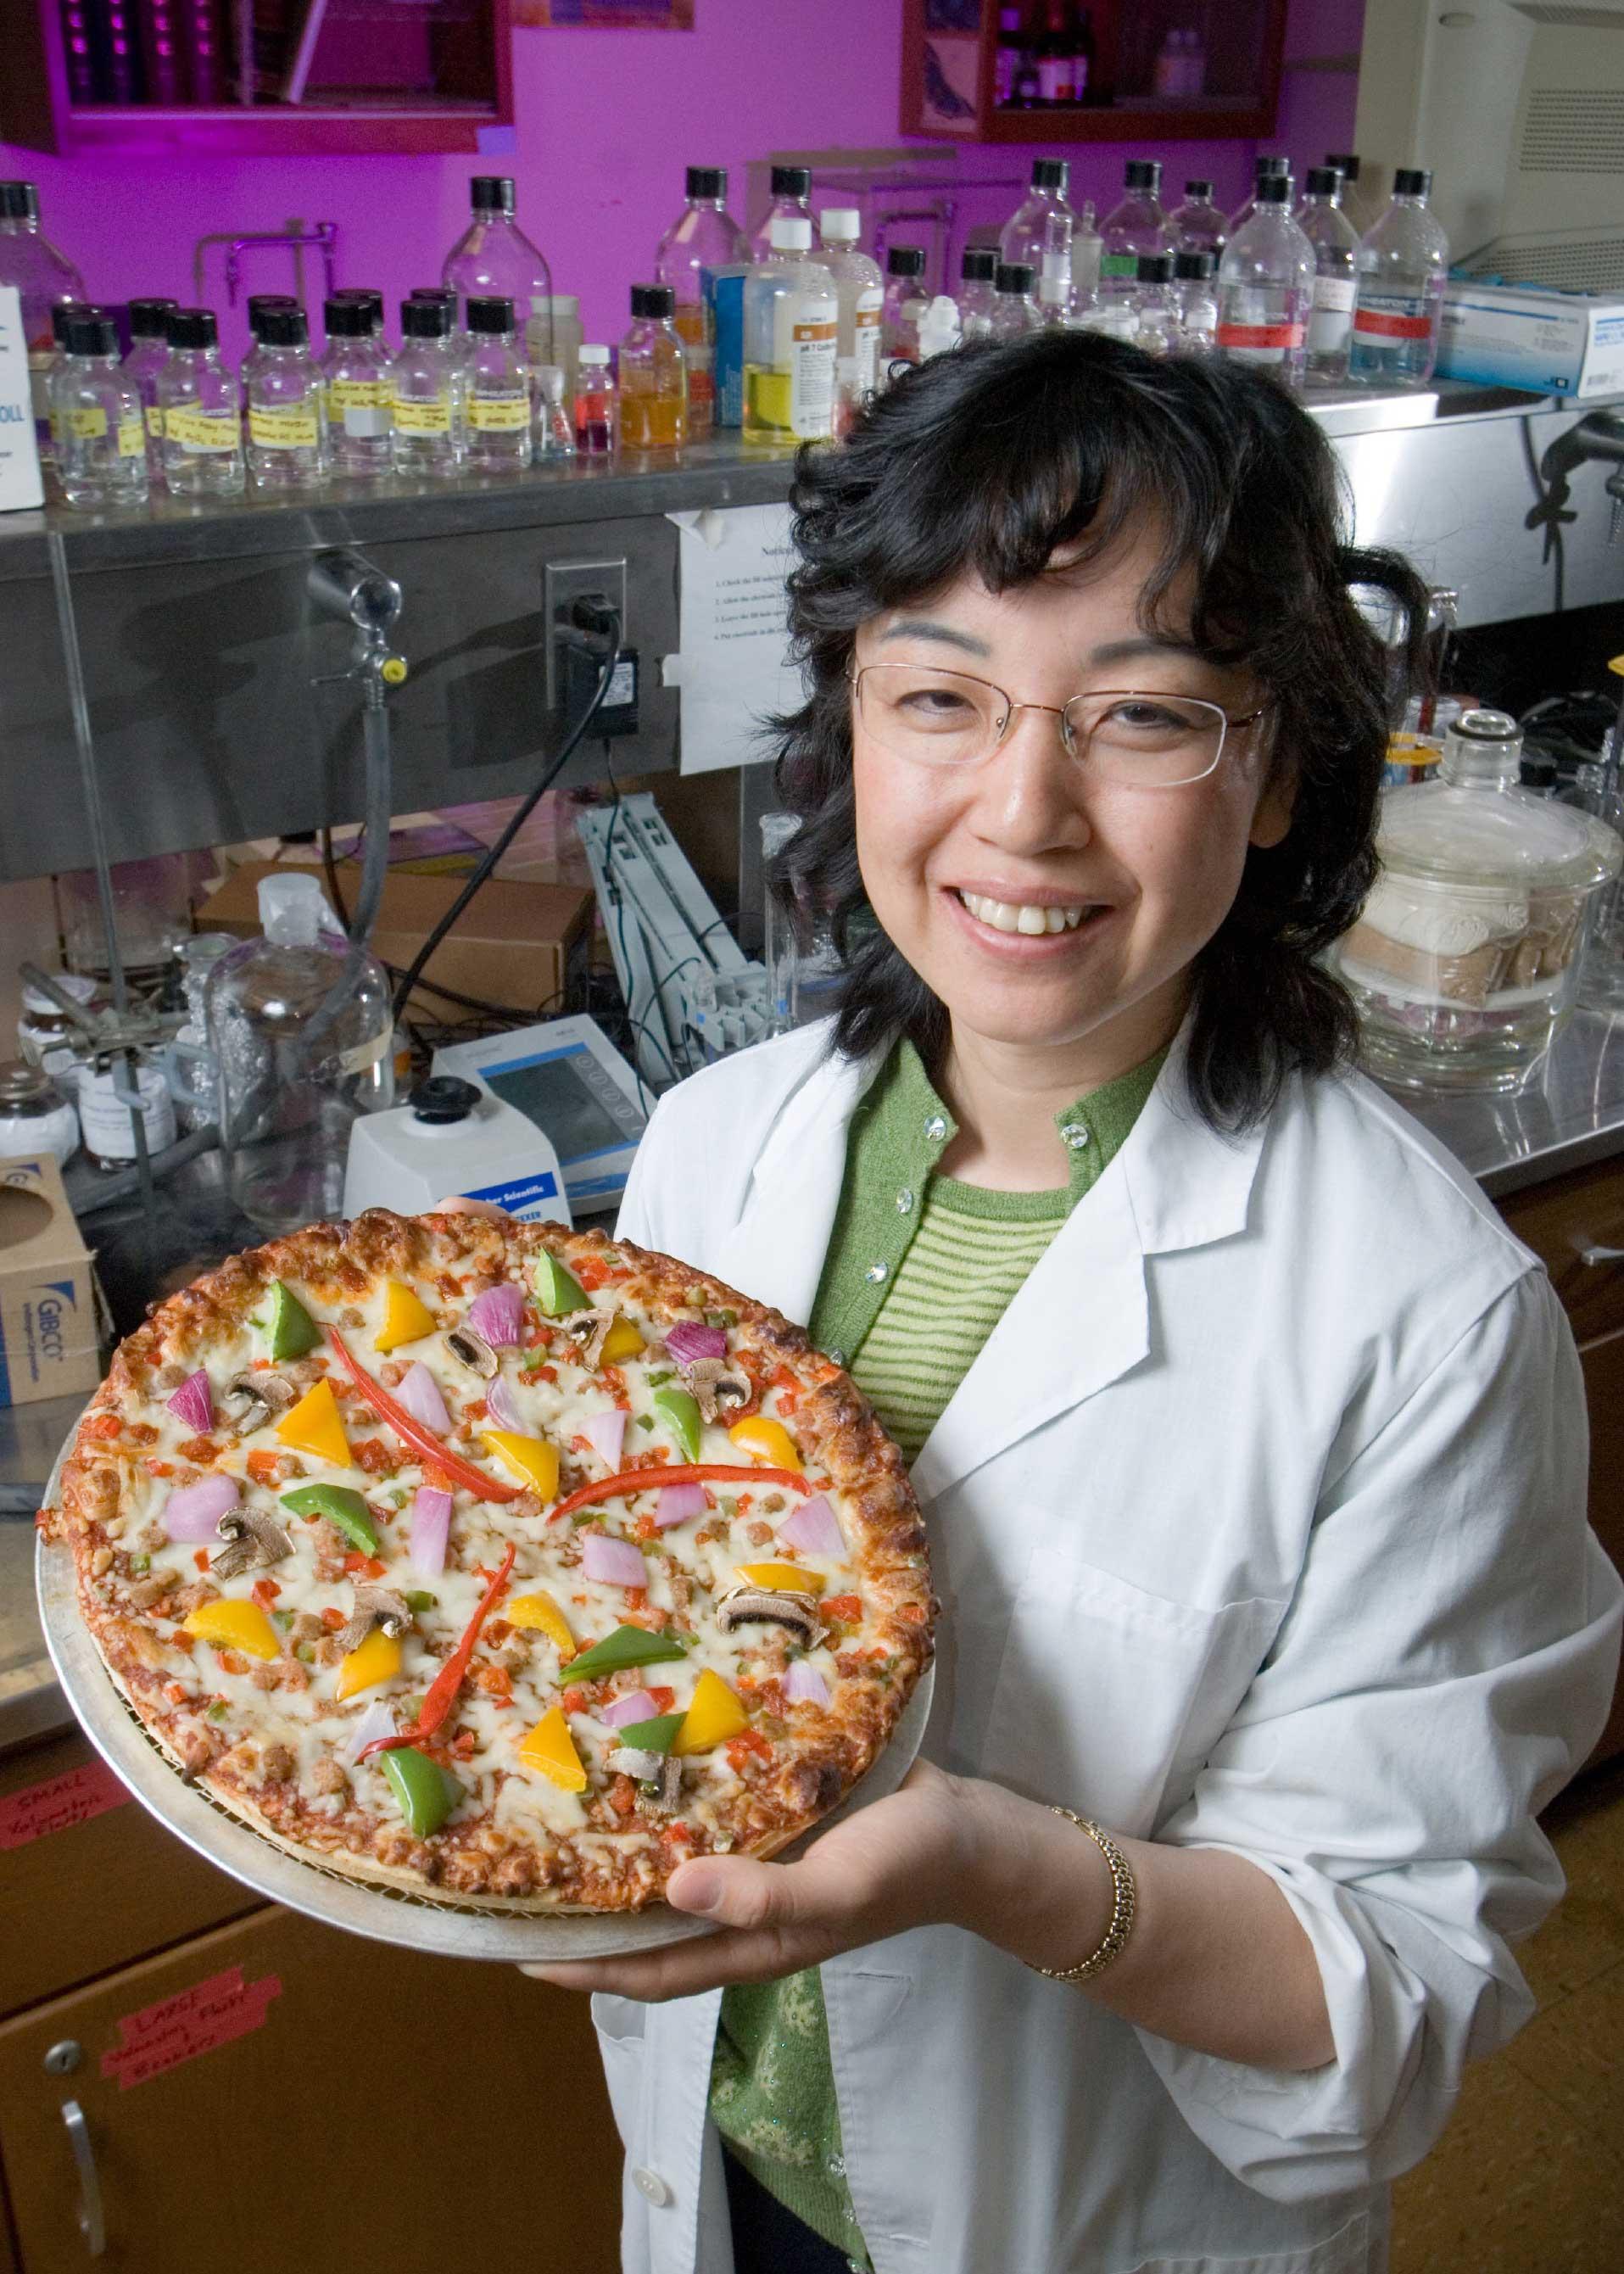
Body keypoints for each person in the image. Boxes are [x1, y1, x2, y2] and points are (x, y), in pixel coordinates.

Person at [520, 332, 1623, 2274]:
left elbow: (1382, 2000)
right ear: (850, 726)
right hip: (712, 2149)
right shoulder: (716, 1146)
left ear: (1275, 768)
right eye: (938, 694)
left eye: (1139, 717)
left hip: (1080, 2208)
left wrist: (993, 1870)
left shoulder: (1416, 1319)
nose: (1021, 813)